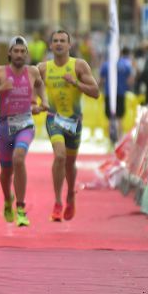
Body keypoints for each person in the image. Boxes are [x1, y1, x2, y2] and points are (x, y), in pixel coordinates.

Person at [0, 36, 46, 227]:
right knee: (6, 172)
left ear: (27, 54)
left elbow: (40, 84)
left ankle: (21, 208)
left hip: (25, 124)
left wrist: (43, 102)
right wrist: (1, 88)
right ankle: (8, 200)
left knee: (19, 158)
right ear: (9, 53)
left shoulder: (32, 72)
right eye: (16, 51)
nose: (19, 54)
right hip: (5, 127)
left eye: (23, 51)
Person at [37, 29, 100, 222]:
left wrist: (76, 83)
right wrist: (35, 102)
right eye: (55, 40)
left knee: (70, 164)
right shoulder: (43, 68)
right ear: (50, 45)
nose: (58, 44)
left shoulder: (79, 66)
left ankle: (70, 193)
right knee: (60, 156)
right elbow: (29, 86)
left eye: (62, 41)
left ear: (69, 45)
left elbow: (95, 92)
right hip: (53, 118)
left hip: (74, 121)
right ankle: (57, 202)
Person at [98, 47, 134, 143]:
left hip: (109, 93)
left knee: (110, 116)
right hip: (121, 93)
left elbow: (100, 80)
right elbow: (130, 80)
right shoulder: (126, 64)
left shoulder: (106, 65)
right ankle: (120, 138)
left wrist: (100, 88)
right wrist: (127, 87)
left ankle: (111, 138)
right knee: (119, 117)